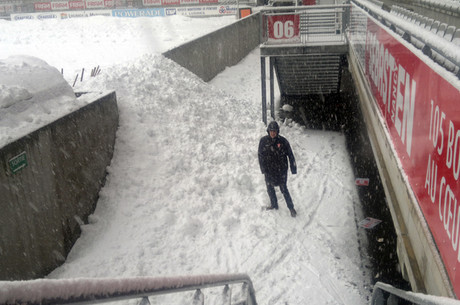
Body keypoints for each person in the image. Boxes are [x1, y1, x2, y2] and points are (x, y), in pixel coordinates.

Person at [258, 121, 297, 217]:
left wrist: (293, 168)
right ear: (268, 131)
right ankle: (274, 205)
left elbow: (290, 155)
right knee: (270, 188)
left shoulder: (283, 141)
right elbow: (260, 155)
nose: (273, 133)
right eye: (271, 131)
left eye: (274, 131)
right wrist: (263, 168)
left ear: (277, 131)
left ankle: (291, 208)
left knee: (284, 189)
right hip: (269, 170)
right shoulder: (263, 141)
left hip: (281, 170)